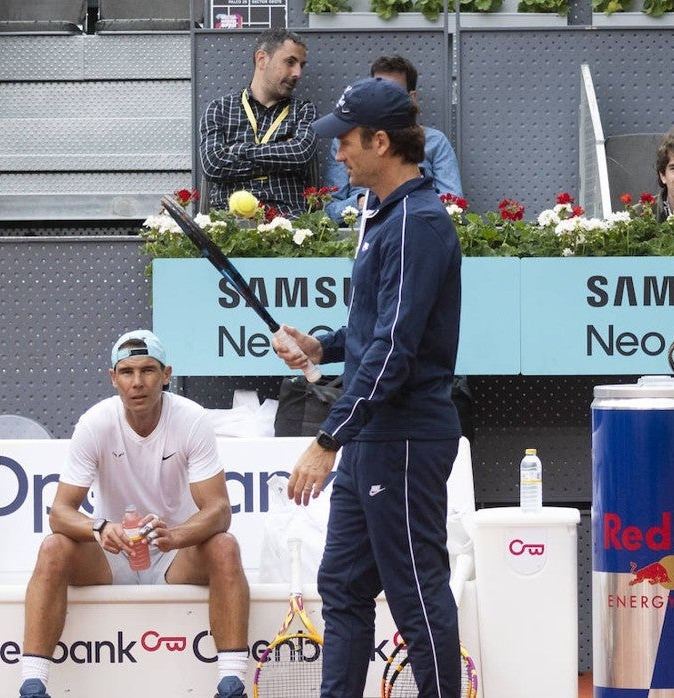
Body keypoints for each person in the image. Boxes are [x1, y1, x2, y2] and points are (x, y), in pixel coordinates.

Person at [272, 77, 463, 698]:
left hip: (402, 438)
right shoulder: (387, 219)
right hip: (376, 438)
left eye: (347, 140)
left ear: (381, 142)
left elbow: (395, 350)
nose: (338, 153)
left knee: (415, 592)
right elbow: (371, 328)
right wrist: (321, 347)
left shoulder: (416, 223)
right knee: (345, 587)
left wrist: (328, 440)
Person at [17, 330, 251, 698]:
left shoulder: (191, 419)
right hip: (113, 557)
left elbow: (219, 511)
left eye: (148, 370)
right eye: (126, 372)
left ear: (167, 374)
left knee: (224, 546)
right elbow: (60, 513)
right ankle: (32, 687)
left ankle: (232, 685)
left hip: (174, 556)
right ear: (113, 378)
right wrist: (100, 528)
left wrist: (176, 535)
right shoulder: (95, 422)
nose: (137, 383)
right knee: (53, 548)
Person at [322, 55, 463, 225]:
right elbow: (329, 210)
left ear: (411, 98)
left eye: (392, 93)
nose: (340, 156)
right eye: (375, 92)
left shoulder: (435, 141)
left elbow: (454, 206)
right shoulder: (343, 142)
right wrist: (363, 202)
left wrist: (398, 204)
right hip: (356, 234)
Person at [199, 28, 317, 217]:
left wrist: (237, 150)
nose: (298, 73)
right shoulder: (220, 109)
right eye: (290, 62)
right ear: (262, 59)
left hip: (288, 221)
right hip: (230, 222)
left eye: (301, 65)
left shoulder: (303, 110)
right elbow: (213, 166)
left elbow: (300, 153)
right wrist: (279, 153)